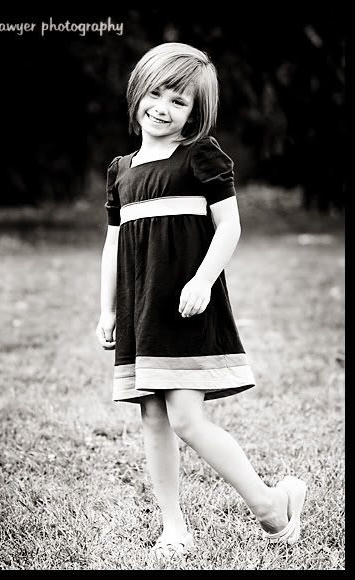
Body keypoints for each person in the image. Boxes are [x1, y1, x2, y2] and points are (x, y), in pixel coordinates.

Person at [96, 42, 307, 559]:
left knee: (187, 420)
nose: (162, 107)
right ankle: (174, 528)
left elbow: (229, 226)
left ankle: (270, 504)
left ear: (195, 112)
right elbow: (113, 244)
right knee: (152, 418)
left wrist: (203, 280)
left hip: (185, 305)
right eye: (155, 93)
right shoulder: (121, 170)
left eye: (179, 100)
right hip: (141, 310)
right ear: (137, 92)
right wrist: (107, 309)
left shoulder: (200, 157)